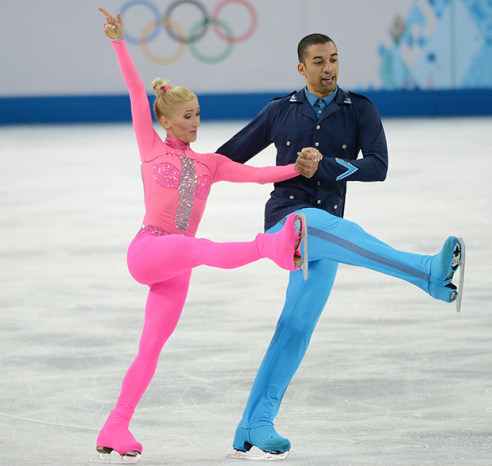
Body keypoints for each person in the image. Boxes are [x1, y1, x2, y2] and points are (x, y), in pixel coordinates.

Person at [216, 33, 464, 458]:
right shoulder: (280, 111)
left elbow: (378, 166)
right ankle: (426, 272)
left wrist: (324, 167)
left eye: (333, 59)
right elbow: (228, 157)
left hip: (327, 235)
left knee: (294, 329)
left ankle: (253, 423)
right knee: (318, 226)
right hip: (286, 224)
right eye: (318, 61)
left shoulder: (359, 109)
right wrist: (181, 168)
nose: (328, 68)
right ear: (301, 68)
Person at [94, 8, 313, 460]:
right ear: (168, 121)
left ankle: (116, 426)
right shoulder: (150, 146)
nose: (196, 123)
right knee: (200, 248)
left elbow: (254, 175)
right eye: (189, 116)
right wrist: (119, 41)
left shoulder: (209, 164)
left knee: (151, 348)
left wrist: (296, 167)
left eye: (198, 115)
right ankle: (271, 246)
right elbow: (137, 92)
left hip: (176, 271)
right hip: (149, 249)